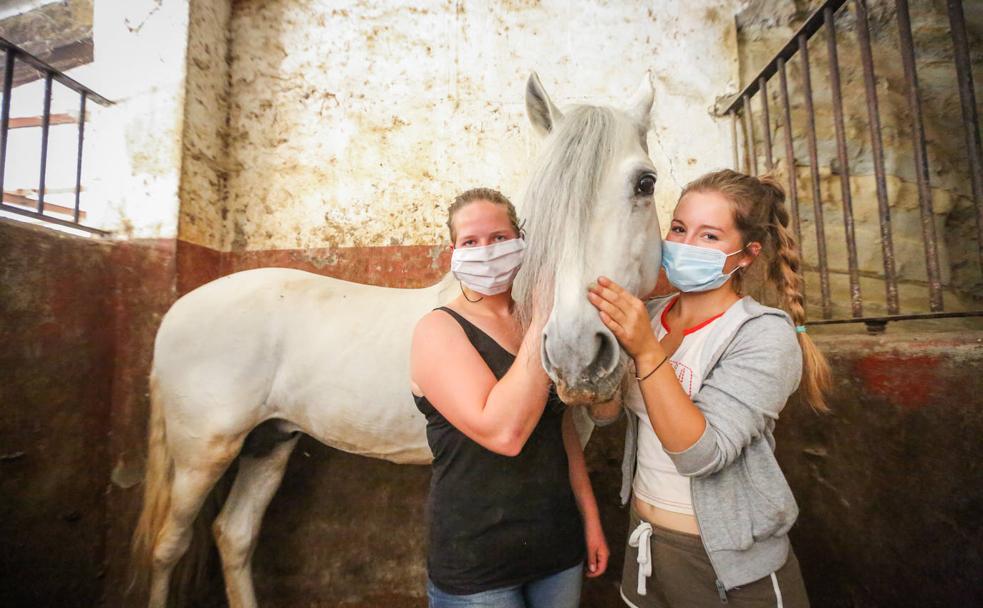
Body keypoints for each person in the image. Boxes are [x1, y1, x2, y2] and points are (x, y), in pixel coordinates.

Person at [586, 169, 830, 607]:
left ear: (747, 255)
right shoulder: (650, 315)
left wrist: (645, 351)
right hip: (646, 543)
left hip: (727, 565)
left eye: (709, 235)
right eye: (679, 229)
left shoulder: (762, 334)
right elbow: (604, 416)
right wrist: (597, 354)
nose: (685, 245)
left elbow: (701, 455)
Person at [410, 187, 609, 608]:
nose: (486, 252)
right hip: (478, 566)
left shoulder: (534, 320)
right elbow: (505, 434)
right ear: (454, 253)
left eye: (499, 238)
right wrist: (543, 317)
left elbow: (562, 431)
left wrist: (590, 519)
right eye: (471, 242)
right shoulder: (438, 330)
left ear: (520, 240)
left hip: (557, 549)